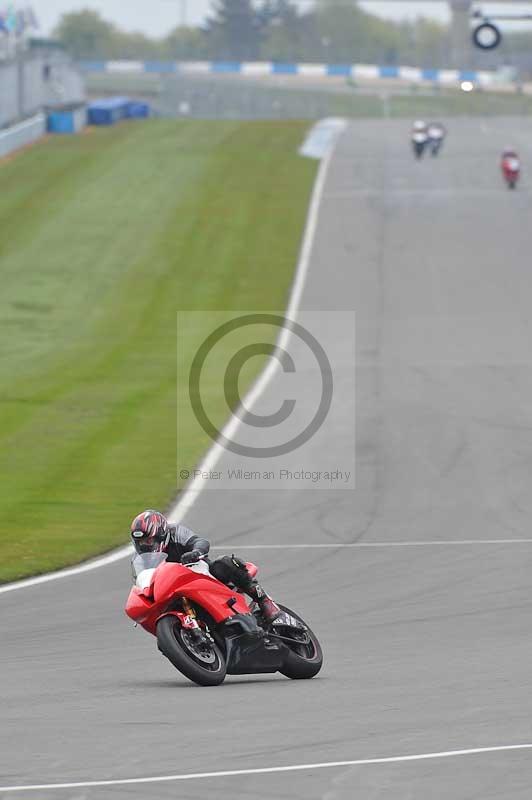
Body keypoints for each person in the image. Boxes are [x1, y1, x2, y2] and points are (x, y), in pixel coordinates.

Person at [130, 510, 281, 622]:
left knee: (224, 563)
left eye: (149, 540)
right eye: (141, 542)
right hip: (172, 589)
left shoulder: (175, 532)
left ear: (161, 534)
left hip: (199, 571)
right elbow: (143, 581)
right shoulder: (139, 559)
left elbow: (199, 541)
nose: (145, 545)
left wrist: (196, 551)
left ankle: (264, 600)